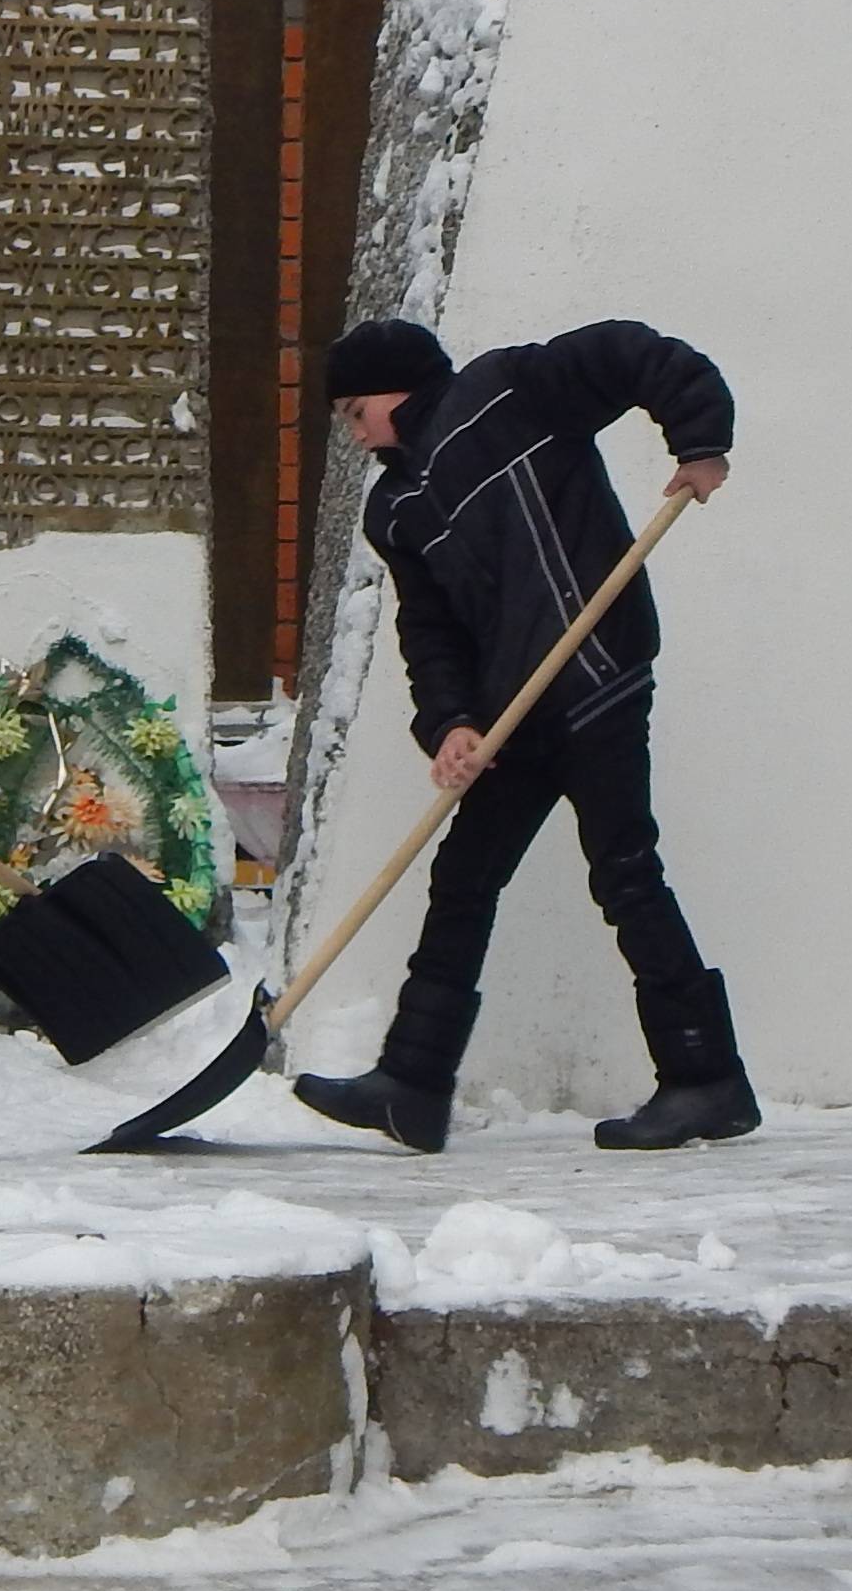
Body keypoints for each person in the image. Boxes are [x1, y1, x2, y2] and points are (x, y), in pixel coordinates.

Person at [295, 315, 749, 1154]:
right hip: (516, 711)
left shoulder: (508, 392)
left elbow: (633, 354)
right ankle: (413, 1083)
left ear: (397, 388)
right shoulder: (395, 508)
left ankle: (705, 1078)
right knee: (462, 879)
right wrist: (453, 723)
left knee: (624, 873)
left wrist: (699, 442)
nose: (352, 432)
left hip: (597, 671)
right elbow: (428, 634)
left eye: (354, 410)